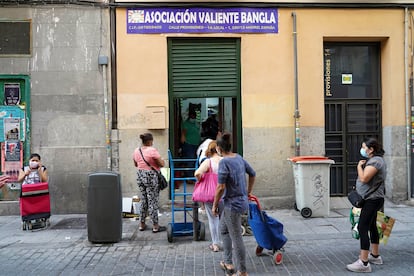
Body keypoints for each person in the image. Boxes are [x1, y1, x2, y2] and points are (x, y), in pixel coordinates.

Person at [212, 133, 256, 276]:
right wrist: (247, 192)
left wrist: (214, 205)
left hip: (232, 205)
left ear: (218, 148)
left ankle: (242, 271)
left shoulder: (224, 162)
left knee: (236, 236)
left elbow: (221, 187)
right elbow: (252, 173)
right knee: (224, 230)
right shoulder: (238, 158)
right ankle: (228, 262)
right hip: (239, 202)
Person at [346, 137, 386, 273]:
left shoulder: (376, 162)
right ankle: (375, 255)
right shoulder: (375, 160)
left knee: (363, 227)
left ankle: (363, 263)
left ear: (371, 149)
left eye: (364, 147)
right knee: (372, 226)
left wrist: (358, 167)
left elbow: (364, 178)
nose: (362, 150)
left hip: (372, 200)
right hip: (374, 199)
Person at [133, 132, 166, 233]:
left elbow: (135, 164)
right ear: (150, 141)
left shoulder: (136, 150)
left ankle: (142, 224)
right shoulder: (152, 150)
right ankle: (155, 226)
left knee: (144, 200)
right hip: (151, 176)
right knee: (152, 201)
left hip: (140, 175)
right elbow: (162, 164)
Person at [194, 140, 223, 252]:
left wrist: (201, 179)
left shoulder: (208, 162)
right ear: (218, 149)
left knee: (213, 219)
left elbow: (197, 173)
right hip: (223, 192)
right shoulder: (224, 161)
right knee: (224, 218)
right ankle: (227, 241)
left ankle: (215, 244)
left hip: (211, 194)